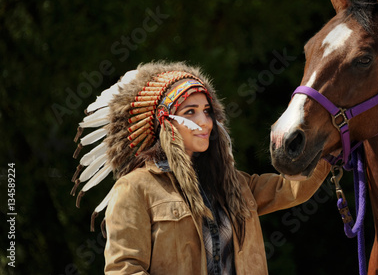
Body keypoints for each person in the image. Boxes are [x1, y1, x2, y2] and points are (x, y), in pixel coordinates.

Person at [71, 60, 330, 274]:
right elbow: (124, 269)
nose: (205, 122)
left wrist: (331, 145)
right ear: (166, 122)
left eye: (207, 111)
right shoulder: (134, 189)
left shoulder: (233, 182)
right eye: (190, 112)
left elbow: (293, 188)